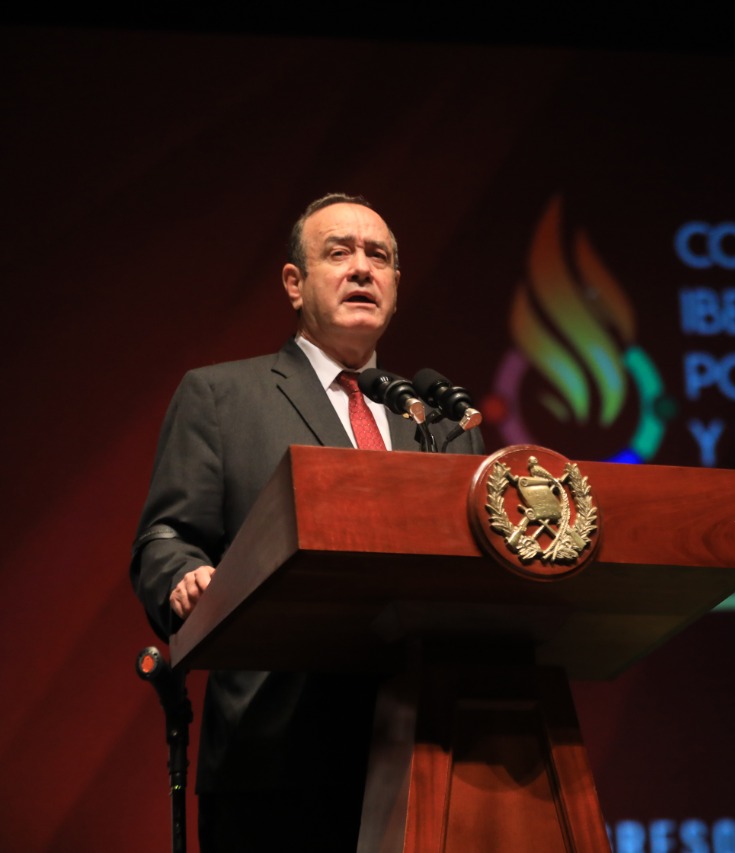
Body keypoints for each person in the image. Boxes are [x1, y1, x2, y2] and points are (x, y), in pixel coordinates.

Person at [130, 193, 484, 851]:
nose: (361, 268)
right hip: (275, 757)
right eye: (338, 252)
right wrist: (184, 577)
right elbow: (164, 537)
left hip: (427, 753)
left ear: (397, 288)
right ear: (294, 283)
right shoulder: (221, 397)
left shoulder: (438, 420)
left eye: (378, 256)